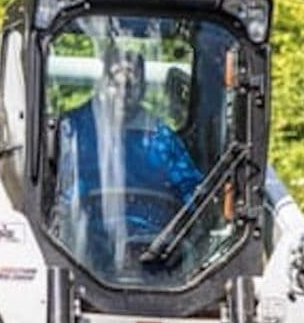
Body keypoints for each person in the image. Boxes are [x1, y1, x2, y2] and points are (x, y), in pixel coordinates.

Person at [55, 45, 202, 273]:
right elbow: (60, 193)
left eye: (132, 85)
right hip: (88, 250)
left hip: (155, 250)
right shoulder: (73, 129)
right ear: (103, 82)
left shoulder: (162, 137)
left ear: (143, 88)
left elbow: (193, 194)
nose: (124, 92)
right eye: (117, 83)